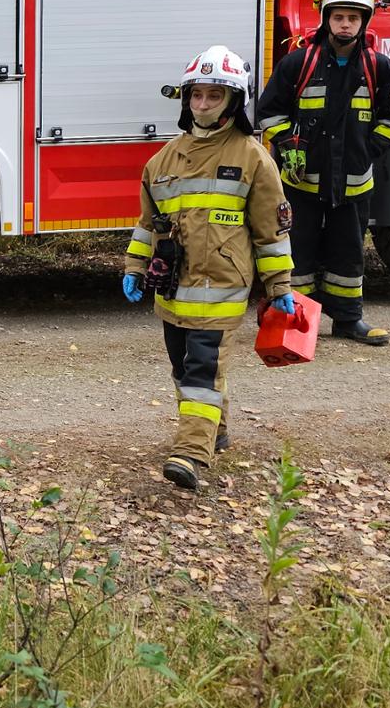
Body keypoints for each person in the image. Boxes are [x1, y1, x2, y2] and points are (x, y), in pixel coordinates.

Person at [124, 46, 295, 490]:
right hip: (173, 289)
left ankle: (190, 453)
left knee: (202, 369)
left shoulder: (253, 158)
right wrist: (135, 266)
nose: (202, 104)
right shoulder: (162, 161)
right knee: (184, 368)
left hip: (222, 287)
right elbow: (148, 224)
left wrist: (279, 285)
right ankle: (214, 429)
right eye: (196, 95)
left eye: (213, 96)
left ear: (233, 101)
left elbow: (270, 231)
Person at [254, 0, 390, 347]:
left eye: (353, 18)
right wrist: (287, 142)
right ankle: (296, 323)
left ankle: (348, 320)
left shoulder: (380, 67)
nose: (345, 24)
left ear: (364, 22)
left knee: (348, 252)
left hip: (354, 183)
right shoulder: (300, 62)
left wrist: (368, 149)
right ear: (327, 19)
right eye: (339, 17)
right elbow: (269, 111)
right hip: (301, 182)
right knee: (298, 252)